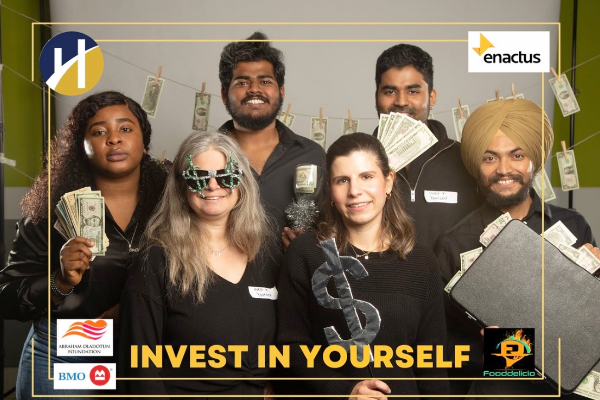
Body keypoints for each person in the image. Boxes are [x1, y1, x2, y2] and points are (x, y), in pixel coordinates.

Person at [0, 91, 169, 398]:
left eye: (125, 129)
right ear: (83, 148)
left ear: (144, 142)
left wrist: (131, 307)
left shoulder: (173, 204)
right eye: (99, 132)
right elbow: (7, 296)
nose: (114, 139)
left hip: (147, 348)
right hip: (70, 348)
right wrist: (60, 282)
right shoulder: (50, 211)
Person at [435, 99, 599, 399]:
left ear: (533, 160)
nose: (504, 170)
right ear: (476, 165)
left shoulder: (573, 226)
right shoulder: (454, 243)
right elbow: (438, 341)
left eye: (517, 155)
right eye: (489, 158)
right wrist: (497, 352)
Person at [277, 133, 449, 399]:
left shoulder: (422, 262)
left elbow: (433, 364)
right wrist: (344, 390)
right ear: (331, 191)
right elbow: (290, 347)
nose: (354, 191)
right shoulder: (306, 253)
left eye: (366, 177)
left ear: (388, 181)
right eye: (342, 180)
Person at [119, 131, 277, 397]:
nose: (213, 186)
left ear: (242, 182)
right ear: (182, 187)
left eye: (225, 175)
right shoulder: (156, 260)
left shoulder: (267, 254)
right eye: (200, 177)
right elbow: (138, 369)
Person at [218, 31, 326, 249]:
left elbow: (334, 230)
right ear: (223, 94)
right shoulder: (203, 157)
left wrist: (309, 247)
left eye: (265, 81)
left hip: (294, 282)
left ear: (281, 91)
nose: (254, 89)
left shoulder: (312, 155)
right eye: (242, 82)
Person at [373, 44, 480, 252]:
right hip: (379, 283)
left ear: (431, 97)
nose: (401, 101)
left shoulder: (466, 160)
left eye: (413, 91)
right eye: (389, 91)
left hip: (447, 284)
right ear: (376, 97)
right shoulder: (356, 163)